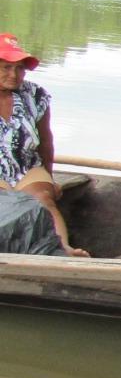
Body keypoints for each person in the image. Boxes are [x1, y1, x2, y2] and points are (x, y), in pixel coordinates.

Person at [0, 34, 89, 257]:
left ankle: (62, 249)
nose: (14, 75)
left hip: (26, 167)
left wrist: (49, 177)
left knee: (43, 199)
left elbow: (46, 141)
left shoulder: (34, 95)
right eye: (5, 68)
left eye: (19, 68)